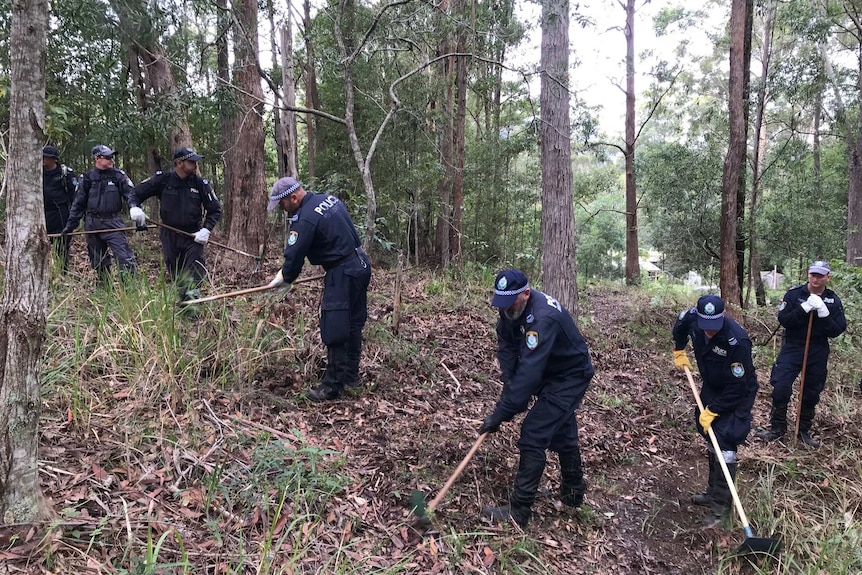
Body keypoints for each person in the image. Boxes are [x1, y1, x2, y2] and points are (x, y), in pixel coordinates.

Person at [479, 269, 594, 528]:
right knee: (561, 429)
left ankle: (519, 511)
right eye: (501, 304)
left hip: (570, 376)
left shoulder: (543, 319)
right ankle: (573, 493)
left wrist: (502, 412)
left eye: (510, 304)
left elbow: (529, 373)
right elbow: (507, 349)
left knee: (533, 432)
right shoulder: (509, 309)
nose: (505, 310)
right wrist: (509, 386)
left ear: (526, 294)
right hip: (548, 372)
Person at [266, 177, 372, 402]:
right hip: (360, 264)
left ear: (293, 197)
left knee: (335, 327)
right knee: (353, 324)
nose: (283, 210)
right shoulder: (328, 200)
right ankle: (351, 377)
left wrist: (283, 279)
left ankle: (332, 386)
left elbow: (293, 258)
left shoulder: (305, 219)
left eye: (283, 204)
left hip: (342, 273)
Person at [672, 295, 758, 527]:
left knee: (726, 440)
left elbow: (738, 386)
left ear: (722, 318)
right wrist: (679, 350)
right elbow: (680, 325)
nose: (709, 332)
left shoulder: (736, 341)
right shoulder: (692, 318)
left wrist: (714, 410)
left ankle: (721, 509)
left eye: (714, 328)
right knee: (707, 430)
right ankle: (712, 492)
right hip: (712, 384)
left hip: (737, 391)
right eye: (705, 327)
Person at [756, 261, 847, 448]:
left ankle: (803, 430)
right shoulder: (794, 294)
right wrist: (803, 308)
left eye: (820, 276)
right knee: (781, 386)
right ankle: (777, 428)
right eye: (813, 275)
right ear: (808, 275)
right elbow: (784, 319)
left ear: (827, 278)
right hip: (793, 346)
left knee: (812, 392)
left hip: (818, 348)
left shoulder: (832, 300)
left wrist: (824, 313)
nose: (816, 279)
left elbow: (837, 329)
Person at [130, 148, 222, 304]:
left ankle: (192, 311)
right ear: (179, 163)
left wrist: (206, 229)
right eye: (191, 162)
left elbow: (215, 209)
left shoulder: (200, 183)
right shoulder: (163, 180)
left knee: (194, 273)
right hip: (169, 235)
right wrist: (135, 207)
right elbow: (135, 193)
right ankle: (182, 302)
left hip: (193, 236)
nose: (195, 166)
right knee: (176, 272)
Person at [62, 145, 137, 283]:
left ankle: (129, 291)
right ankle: (105, 287)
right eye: (107, 157)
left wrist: (136, 210)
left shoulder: (118, 176)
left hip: (113, 222)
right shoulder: (87, 178)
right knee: (98, 260)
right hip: (92, 223)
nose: (111, 160)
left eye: (111, 157)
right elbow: (78, 204)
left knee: (124, 257)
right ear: (97, 159)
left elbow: (132, 195)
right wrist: (70, 226)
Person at [42, 145, 78, 272]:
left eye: (46, 157)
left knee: (62, 245)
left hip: (61, 213)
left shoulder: (65, 173)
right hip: (43, 213)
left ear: (54, 159)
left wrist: (75, 216)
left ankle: (62, 272)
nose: (43, 159)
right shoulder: (37, 172)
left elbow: (75, 195)